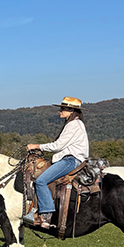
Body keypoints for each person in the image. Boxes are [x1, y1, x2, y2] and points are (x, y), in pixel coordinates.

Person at [25, 96, 89, 228]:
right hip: (70, 159)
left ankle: (46, 215)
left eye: (63, 109)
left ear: (71, 111)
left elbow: (58, 145)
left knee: (41, 181)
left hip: (71, 160)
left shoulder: (73, 125)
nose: (60, 111)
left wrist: (37, 146)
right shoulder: (75, 124)